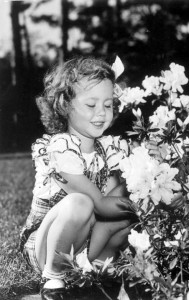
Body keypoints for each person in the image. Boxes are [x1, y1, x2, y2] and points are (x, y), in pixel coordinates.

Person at [19, 56, 139, 300]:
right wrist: (142, 205)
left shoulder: (110, 149)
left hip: (85, 241)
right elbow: (102, 204)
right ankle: (53, 278)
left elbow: (115, 200)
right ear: (65, 106)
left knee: (126, 219)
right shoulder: (60, 148)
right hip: (46, 245)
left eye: (108, 105)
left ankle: (96, 272)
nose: (101, 113)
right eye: (91, 104)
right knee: (80, 202)